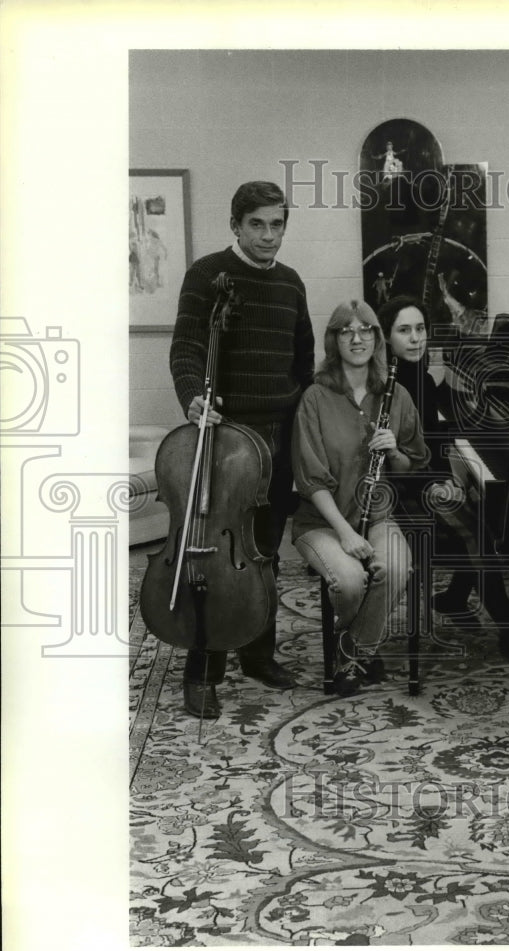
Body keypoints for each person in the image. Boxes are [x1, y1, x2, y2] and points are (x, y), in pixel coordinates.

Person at [169, 180, 315, 718]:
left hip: (277, 438)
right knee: (213, 555)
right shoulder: (208, 275)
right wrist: (192, 398)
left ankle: (258, 654)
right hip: (226, 440)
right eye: (257, 224)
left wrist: (298, 418)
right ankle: (202, 672)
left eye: (277, 224)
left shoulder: (292, 284)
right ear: (235, 225)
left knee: (264, 554)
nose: (268, 235)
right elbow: (186, 344)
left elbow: (304, 359)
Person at [377, 295, 509, 662]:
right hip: (397, 492)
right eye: (404, 331)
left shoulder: (418, 376)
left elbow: (437, 430)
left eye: (420, 329)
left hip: (419, 478)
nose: (415, 339)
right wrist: (449, 480)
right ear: (386, 339)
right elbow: (409, 456)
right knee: (477, 525)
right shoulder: (390, 385)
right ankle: (508, 627)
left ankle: (457, 594)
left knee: (489, 500)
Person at [291, 300, 430, 697]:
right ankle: (365, 646)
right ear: (334, 340)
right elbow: (311, 478)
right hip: (323, 522)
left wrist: (394, 452)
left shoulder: (395, 393)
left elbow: (413, 463)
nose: (357, 338)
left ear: (376, 337)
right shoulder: (315, 398)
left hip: (378, 515)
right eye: (346, 331)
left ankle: (351, 649)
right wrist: (346, 534)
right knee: (351, 581)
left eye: (365, 330)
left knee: (397, 568)